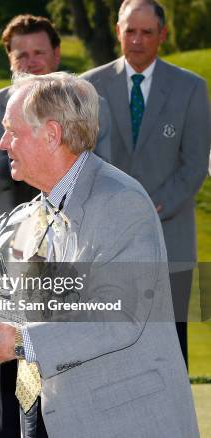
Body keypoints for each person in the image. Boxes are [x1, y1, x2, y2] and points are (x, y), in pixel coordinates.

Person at [0, 72, 199, 437]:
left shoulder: (121, 202)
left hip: (121, 421)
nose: (3, 143)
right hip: (47, 417)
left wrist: (22, 341)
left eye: (12, 131)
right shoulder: (34, 212)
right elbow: (8, 306)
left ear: (51, 134)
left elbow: (118, 315)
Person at [0, 15, 113, 437]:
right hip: (14, 251)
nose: (31, 64)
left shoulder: (81, 105)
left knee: (55, 356)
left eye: (39, 54)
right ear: (10, 61)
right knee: (11, 365)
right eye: (22, 56)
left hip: (71, 250)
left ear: (56, 55)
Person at [81, 0, 211, 368]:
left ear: (162, 36)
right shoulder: (89, 85)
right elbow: (80, 160)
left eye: (147, 32)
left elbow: (194, 164)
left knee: (170, 351)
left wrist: (150, 206)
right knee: (106, 352)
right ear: (117, 30)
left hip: (171, 238)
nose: (137, 40)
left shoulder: (191, 88)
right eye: (130, 31)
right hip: (105, 242)